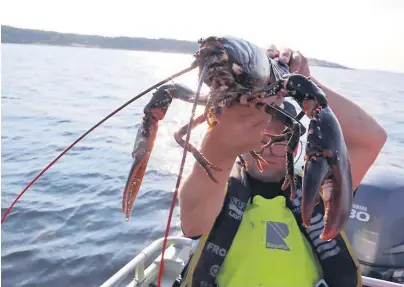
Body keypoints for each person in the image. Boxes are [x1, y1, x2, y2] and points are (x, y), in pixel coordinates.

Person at [174, 46, 387, 287]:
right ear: (242, 141)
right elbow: (192, 220)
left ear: (296, 146)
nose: (272, 148)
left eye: (283, 138)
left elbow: (372, 138)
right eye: (262, 138)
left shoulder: (317, 187)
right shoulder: (217, 184)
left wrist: (306, 81)